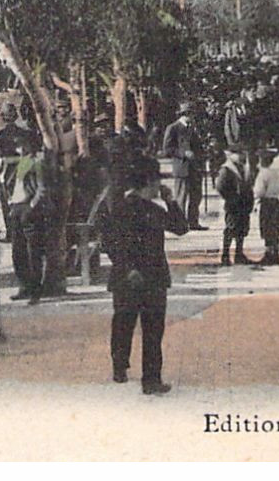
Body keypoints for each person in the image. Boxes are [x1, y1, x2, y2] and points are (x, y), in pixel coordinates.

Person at [95, 158, 189, 395]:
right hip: (153, 278)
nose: (159, 186)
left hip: (125, 278)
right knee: (152, 331)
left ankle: (119, 367)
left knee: (122, 325)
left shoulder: (116, 208)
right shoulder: (153, 210)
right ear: (148, 182)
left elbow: (108, 243)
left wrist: (126, 268)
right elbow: (181, 227)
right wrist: (171, 201)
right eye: (157, 181)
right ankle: (151, 379)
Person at [1, 131, 48, 302]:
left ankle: (35, 289)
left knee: (32, 252)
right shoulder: (19, 163)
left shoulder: (37, 163)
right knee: (17, 252)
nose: (20, 148)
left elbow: (41, 189)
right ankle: (24, 286)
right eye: (19, 145)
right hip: (16, 208)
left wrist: (31, 207)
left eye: (23, 144)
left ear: (30, 145)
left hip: (28, 209)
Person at [215, 149, 255, 266]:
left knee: (242, 229)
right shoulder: (226, 169)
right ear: (231, 155)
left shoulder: (244, 168)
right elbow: (221, 187)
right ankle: (225, 255)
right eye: (238, 154)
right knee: (231, 228)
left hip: (244, 203)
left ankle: (239, 253)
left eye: (243, 153)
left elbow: (249, 184)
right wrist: (230, 198)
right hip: (233, 205)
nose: (242, 156)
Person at [253, 150, 279, 266]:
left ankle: (269, 254)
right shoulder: (275, 173)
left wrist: (256, 198)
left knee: (266, 228)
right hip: (275, 201)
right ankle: (275, 253)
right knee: (275, 228)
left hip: (266, 203)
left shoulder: (262, 174)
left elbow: (259, 190)